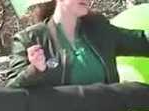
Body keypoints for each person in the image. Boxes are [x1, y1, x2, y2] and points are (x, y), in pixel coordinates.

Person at [8, 0, 149, 88]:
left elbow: (143, 41)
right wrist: (35, 70)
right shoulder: (29, 39)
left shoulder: (100, 30)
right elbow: (12, 88)